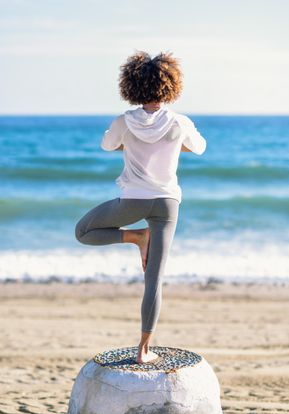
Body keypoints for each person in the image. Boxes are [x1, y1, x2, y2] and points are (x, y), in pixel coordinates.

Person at [75, 51, 206, 364]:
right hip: (167, 203)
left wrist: (130, 142)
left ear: (131, 85)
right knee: (154, 281)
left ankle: (135, 237)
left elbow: (107, 145)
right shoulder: (180, 122)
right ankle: (144, 350)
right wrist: (175, 143)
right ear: (172, 84)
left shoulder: (125, 122)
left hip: (133, 200)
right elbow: (199, 148)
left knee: (83, 232)